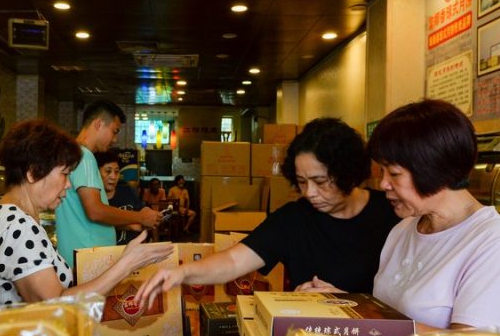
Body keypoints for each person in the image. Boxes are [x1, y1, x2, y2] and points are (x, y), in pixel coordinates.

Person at [135, 118, 401, 308]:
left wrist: (346, 301)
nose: (309, 192)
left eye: (320, 182)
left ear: (349, 173)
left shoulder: (393, 215)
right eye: (301, 182)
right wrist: (183, 273)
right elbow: (233, 261)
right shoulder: (294, 218)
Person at [365, 99, 500, 336]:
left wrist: (370, 328)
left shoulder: (496, 244)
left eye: (394, 173)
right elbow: (385, 314)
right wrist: (344, 306)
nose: (383, 184)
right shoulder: (403, 229)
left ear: (432, 168)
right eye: (382, 171)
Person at [0, 120, 173, 304]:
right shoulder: (17, 226)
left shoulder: (2, 213)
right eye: (64, 174)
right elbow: (55, 305)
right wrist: (127, 264)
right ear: (33, 172)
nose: (69, 185)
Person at [55, 100, 162, 265]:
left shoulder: (70, 154)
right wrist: (140, 216)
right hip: (88, 259)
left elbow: (83, 216)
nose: (114, 140)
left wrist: (129, 224)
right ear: (98, 124)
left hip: (80, 256)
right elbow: (95, 211)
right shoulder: (85, 157)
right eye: (114, 131)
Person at [95, 150, 145, 245]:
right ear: (96, 172)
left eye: (116, 172)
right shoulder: (93, 198)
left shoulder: (127, 191)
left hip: (134, 251)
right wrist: (129, 225)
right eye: (108, 171)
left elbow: (142, 216)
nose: (113, 177)